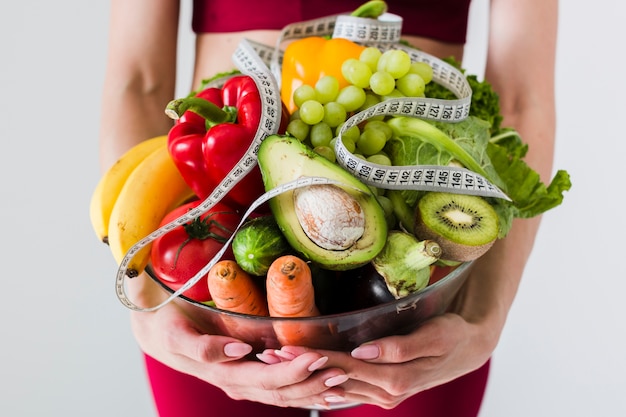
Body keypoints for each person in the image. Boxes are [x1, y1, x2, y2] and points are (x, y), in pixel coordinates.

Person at [98, 0, 558, 415]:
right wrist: (151, 305)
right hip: (206, 262)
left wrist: (483, 316)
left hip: (422, 294)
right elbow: (138, 82)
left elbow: (521, 99)